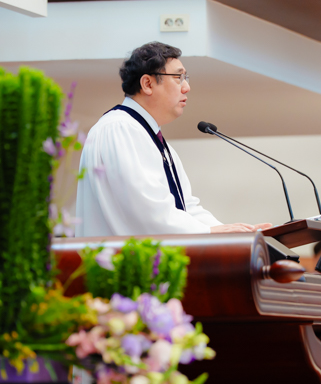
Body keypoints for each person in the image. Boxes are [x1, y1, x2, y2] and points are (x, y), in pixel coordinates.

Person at [75, 42, 271, 237]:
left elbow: (186, 207)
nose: (187, 87)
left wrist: (237, 234)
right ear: (147, 84)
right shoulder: (120, 129)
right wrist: (210, 232)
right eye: (178, 77)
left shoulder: (150, 137)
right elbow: (148, 212)